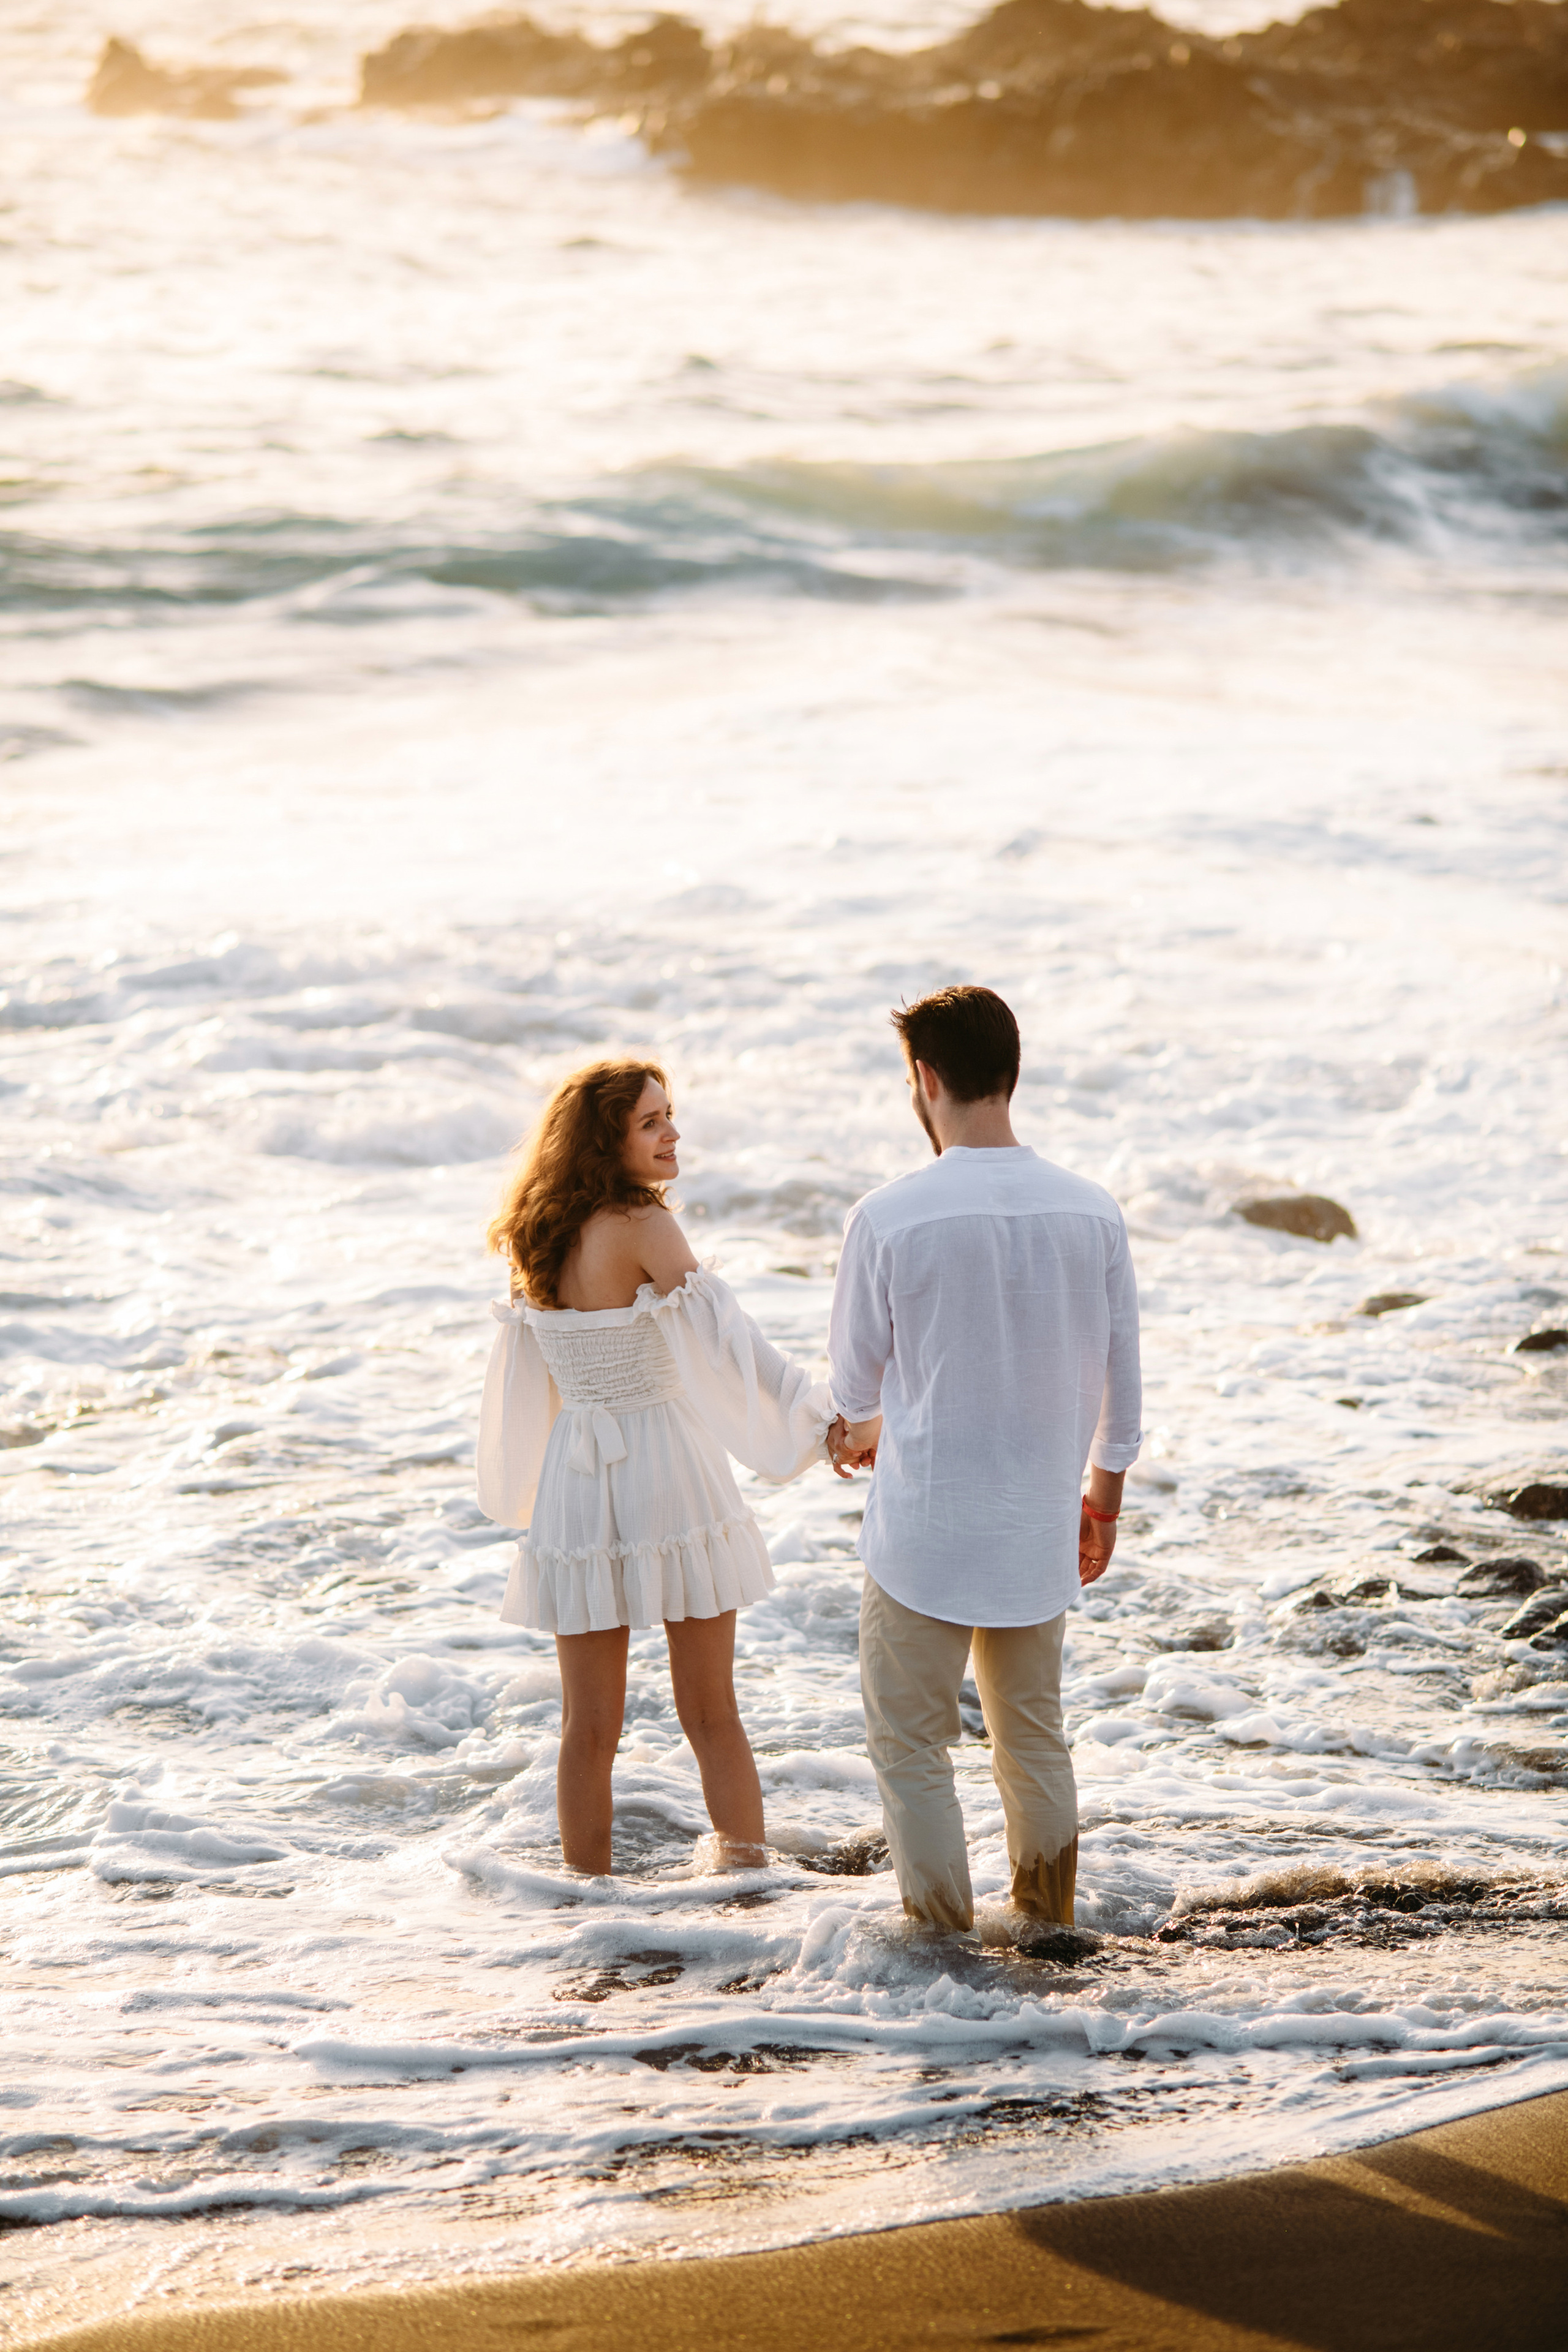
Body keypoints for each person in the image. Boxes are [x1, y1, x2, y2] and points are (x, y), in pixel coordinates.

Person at [476, 1058, 845, 1876]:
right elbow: (730, 1346)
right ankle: (747, 1891)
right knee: (711, 1713)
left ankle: (586, 1904)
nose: (672, 1133)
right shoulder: (645, 1227)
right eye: (651, 1122)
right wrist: (822, 1423)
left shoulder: (537, 1236)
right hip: (662, 1464)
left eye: (670, 1116)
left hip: (577, 1473)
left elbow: (523, 1384)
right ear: (607, 1139)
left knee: (587, 1727)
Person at [827, 986, 1142, 1939]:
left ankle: (942, 1947)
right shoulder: (1093, 1212)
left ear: (924, 1079)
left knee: (913, 1746)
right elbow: (1121, 1393)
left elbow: (852, 1395)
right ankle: (1047, 1932)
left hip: (925, 1531)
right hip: (1036, 1524)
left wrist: (855, 1435)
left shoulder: (890, 1216)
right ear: (1013, 1069)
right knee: (1033, 1739)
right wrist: (1103, 1505)